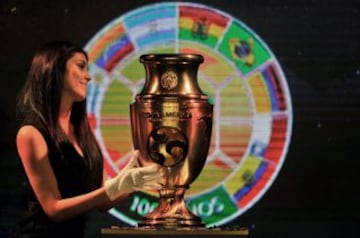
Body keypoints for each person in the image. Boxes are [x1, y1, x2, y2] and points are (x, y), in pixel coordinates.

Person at [11, 41, 164, 237]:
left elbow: (102, 202)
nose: (89, 76)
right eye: (81, 66)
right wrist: (116, 186)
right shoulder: (31, 133)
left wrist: (132, 180)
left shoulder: (81, 130)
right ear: (54, 68)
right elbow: (54, 209)